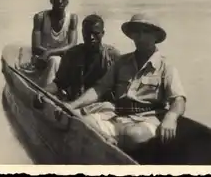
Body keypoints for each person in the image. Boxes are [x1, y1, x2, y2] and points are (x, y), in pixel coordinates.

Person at [66, 13, 187, 152]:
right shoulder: (121, 62)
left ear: (155, 36)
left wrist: (171, 117)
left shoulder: (166, 66)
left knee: (134, 135)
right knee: (82, 122)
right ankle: (108, 140)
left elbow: (179, 100)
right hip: (117, 116)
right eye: (136, 32)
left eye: (145, 32)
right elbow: (99, 89)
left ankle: (108, 141)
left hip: (146, 120)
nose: (140, 37)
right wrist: (73, 104)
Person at [43, 14, 121, 102]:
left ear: (103, 33)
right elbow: (59, 83)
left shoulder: (113, 56)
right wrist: (44, 92)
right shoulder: (72, 54)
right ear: (82, 32)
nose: (91, 37)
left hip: (101, 106)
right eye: (87, 33)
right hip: (74, 103)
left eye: (95, 33)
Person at [27, 0, 78, 86]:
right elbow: (35, 47)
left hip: (61, 57)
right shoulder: (40, 18)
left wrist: (50, 52)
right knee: (54, 60)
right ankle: (49, 91)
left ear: (67, 3)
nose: (60, 2)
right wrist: (48, 54)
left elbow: (72, 45)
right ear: (51, 1)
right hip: (42, 58)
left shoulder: (72, 18)